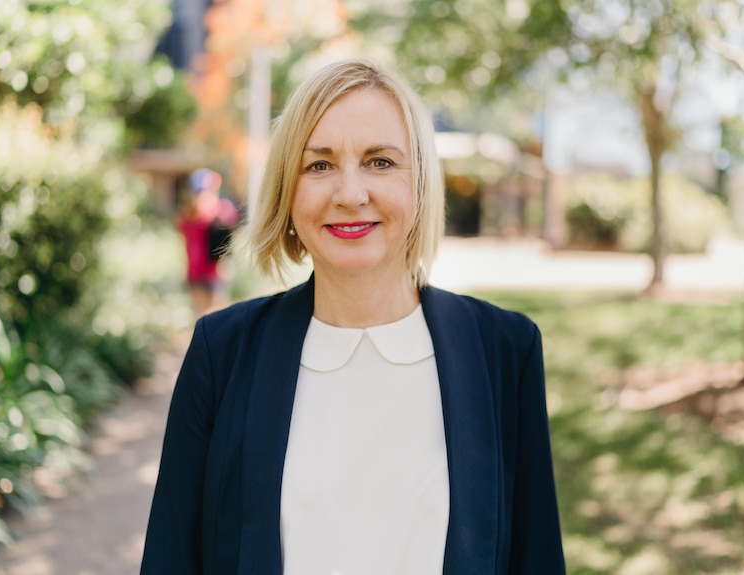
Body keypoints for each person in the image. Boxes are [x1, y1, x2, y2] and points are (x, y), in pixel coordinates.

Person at [142, 59, 565, 574]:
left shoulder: (506, 350)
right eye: (318, 165)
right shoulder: (221, 352)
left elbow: (536, 557)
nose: (350, 194)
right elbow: (171, 557)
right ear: (288, 190)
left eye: (380, 162)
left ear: (421, 183)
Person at [175, 168, 239, 317]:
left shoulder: (221, 210)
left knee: (219, 314)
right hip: (196, 272)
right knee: (201, 314)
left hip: (216, 272)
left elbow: (231, 225)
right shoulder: (189, 216)